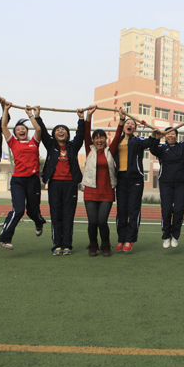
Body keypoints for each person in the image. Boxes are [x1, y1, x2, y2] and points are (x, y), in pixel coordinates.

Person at [0, 102, 47, 250]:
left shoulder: (34, 142)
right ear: (15, 134)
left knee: (33, 211)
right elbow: (3, 127)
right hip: (18, 181)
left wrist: (30, 115)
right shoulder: (13, 143)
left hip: (33, 181)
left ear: (27, 131)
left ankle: (39, 222)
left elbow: (38, 129)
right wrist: (5, 110)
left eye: (23, 128)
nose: (21, 130)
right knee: (18, 211)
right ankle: (4, 239)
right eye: (18, 129)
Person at [36, 107, 85, 256]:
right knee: (56, 215)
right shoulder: (51, 146)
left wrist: (81, 118)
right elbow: (43, 132)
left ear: (67, 134)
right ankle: (57, 245)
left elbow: (80, 134)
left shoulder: (73, 147)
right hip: (54, 184)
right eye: (58, 129)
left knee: (68, 215)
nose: (61, 131)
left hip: (70, 184)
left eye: (63, 129)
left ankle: (67, 245)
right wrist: (37, 117)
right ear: (54, 135)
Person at [80, 105, 123, 257]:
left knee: (102, 221)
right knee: (92, 222)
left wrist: (122, 119)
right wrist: (89, 116)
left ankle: (105, 245)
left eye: (102, 137)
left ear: (106, 139)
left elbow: (118, 135)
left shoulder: (110, 151)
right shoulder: (89, 150)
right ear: (93, 140)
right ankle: (93, 244)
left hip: (107, 192)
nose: (99, 140)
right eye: (96, 138)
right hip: (90, 191)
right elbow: (86, 133)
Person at [114, 109, 158, 252]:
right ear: (124, 126)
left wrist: (154, 134)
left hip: (135, 179)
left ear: (135, 128)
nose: (129, 125)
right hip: (120, 178)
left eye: (132, 124)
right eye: (127, 123)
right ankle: (121, 238)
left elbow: (150, 142)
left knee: (133, 209)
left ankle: (130, 239)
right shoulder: (117, 140)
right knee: (121, 210)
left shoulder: (138, 140)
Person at [150, 125, 184, 249]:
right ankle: (166, 235)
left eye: (172, 133)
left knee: (179, 210)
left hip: (181, 183)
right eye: (168, 133)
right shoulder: (161, 148)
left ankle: (175, 235)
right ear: (165, 136)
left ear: (176, 136)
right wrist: (156, 137)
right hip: (166, 183)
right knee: (166, 210)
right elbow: (153, 149)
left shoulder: (182, 146)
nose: (170, 135)